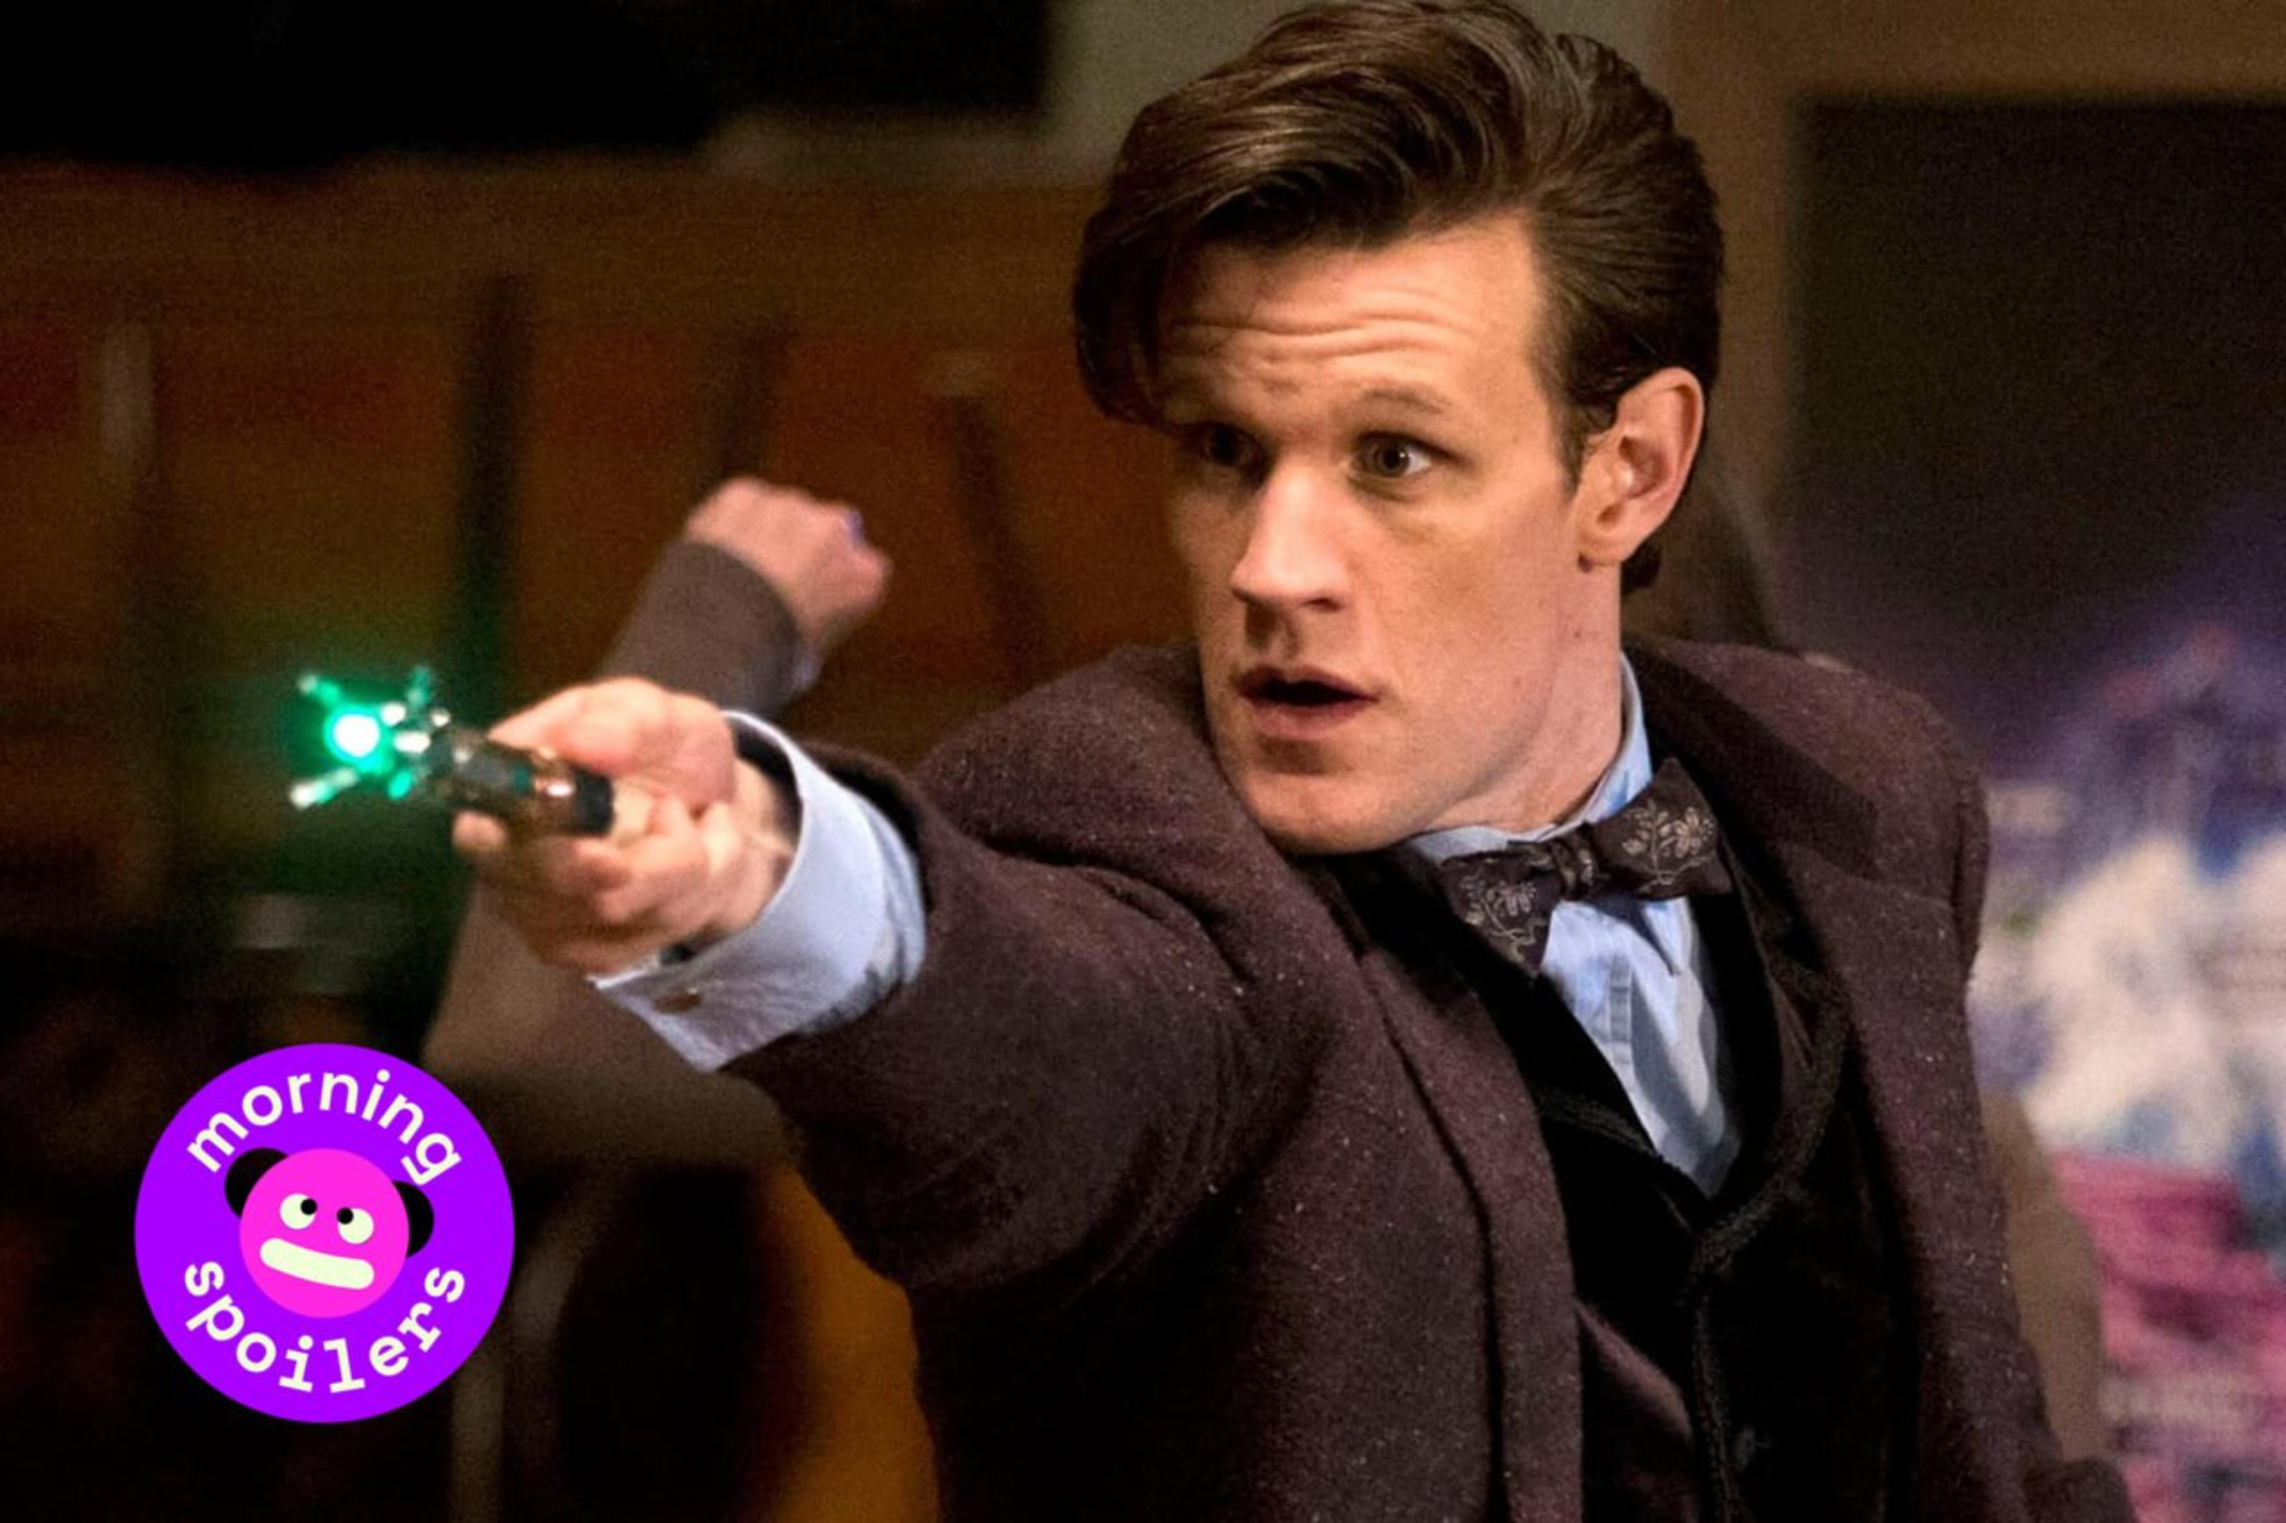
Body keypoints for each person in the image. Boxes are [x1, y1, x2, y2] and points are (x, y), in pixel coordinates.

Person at [456, 3, 2132, 1517]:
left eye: (1392, 457)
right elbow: (1030, 1024)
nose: (1270, 564)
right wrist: (764, 870)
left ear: (1627, 468)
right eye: (1224, 450)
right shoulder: (1112, 811)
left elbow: (1986, 1414)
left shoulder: (1864, 782)